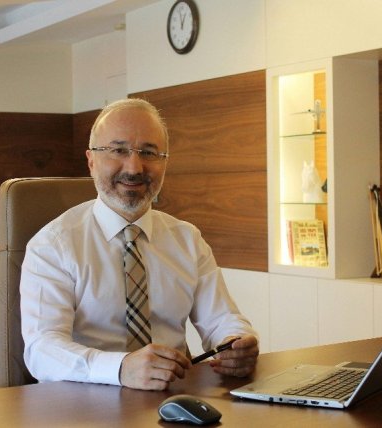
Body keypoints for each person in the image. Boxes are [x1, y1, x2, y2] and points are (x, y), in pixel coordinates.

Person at [20, 98, 259, 391]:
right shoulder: (53, 245)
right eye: (118, 150)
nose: (134, 168)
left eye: (148, 152)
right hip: (86, 402)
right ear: (91, 161)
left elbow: (222, 319)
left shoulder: (187, 239)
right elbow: (42, 350)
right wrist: (120, 369)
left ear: (165, 163)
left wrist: (235, 342)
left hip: (174, 399)